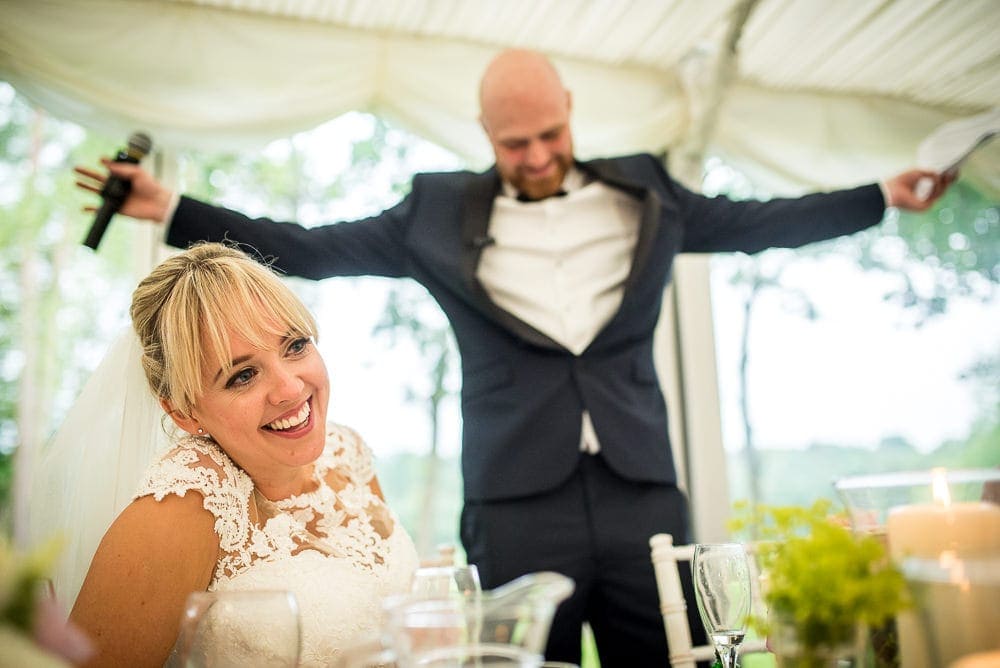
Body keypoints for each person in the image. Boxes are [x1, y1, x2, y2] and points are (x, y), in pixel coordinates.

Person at [75, 49, 954, 665]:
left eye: (546, 136)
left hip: (640, 483)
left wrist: (880, 195)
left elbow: (762, 225)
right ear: (485, 135)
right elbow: (308, 245)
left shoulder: (649, 191)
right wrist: (171, 206)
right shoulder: (432, 213)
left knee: (676, 655)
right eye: (511, 144)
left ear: (569, 111)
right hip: (514, 498)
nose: (533, 158)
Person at [64, 242, 419, 667]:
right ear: (182, 412)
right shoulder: (183, 509)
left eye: (295, 346)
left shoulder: (348, 453)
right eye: (243, 375)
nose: (290, 388)